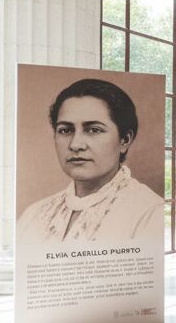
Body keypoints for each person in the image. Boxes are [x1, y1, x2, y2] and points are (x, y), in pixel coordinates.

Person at [18, 78, 162, 243]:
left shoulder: (149, 213)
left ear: (124, 140)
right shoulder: (33, 215)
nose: (75, 144)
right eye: (65, 130)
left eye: (94, 130)